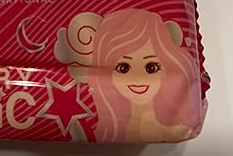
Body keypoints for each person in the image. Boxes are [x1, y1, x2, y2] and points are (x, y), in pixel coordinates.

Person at [55, 9, 202, 142]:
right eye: (123, 68)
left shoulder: (178, 127)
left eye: (151, 68)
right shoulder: (105, 128)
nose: (137, 78)